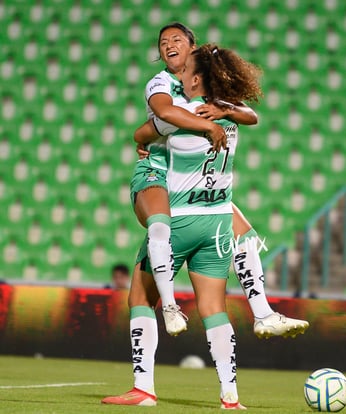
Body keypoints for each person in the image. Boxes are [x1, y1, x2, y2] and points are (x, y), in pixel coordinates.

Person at [103, 43, 266, 409]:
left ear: (193, 76)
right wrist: (222, 111)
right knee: (214, 307)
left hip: (179, 214)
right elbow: (251, 116)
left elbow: (145, 131)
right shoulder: (229, 111)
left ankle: (144, 387)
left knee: (141, 297)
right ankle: (230, 396)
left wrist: (144, 140)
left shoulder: (181, 110)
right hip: (216, 221)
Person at [131, 22, 309, 339]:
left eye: (176, 39)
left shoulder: (206, 88)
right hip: (162, 172)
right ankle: (169, 309)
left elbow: (250, 115)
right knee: (158, 241)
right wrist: (209, 127)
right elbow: (163, 114)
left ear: (191, 47)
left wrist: (220, 109)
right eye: (162, 42)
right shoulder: (160, 82)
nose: (168, 45)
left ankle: (264, 315)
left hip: (196, 179)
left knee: (247, 237)